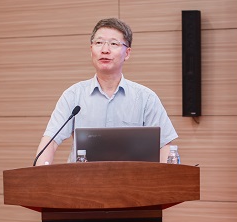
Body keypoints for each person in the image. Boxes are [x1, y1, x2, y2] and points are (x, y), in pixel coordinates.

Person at [34, 18, 177, 165]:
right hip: (82, 178)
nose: (105, 50)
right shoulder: (73, 96)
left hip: (133, 178)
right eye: (99, 43)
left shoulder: (146, 98)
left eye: (113, 44)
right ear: (91, 50)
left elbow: (165, 146)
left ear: (127, 53)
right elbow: (50, 142)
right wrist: (40, 175)